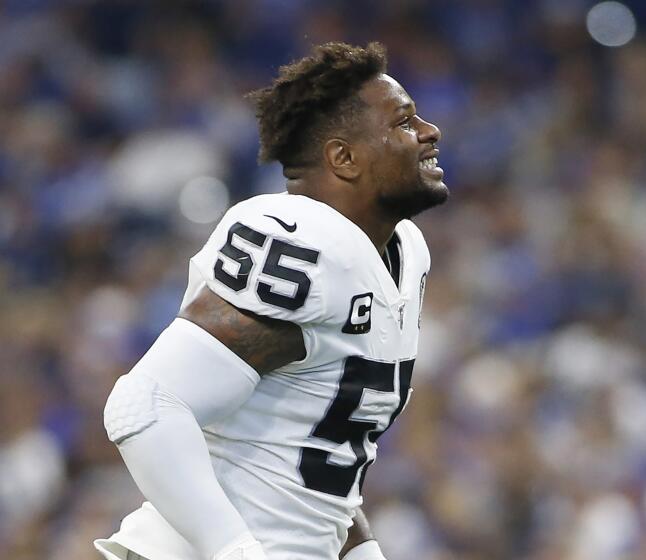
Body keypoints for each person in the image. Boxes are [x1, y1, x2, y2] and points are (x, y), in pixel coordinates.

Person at [93, 42, 448, 560]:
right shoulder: (299, 237)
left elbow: (318, 449)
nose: (429, 131)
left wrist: (361, 552)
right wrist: (236, 552)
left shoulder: (404, 253)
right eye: (404, 122)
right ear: (343, 158)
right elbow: (144, 406)